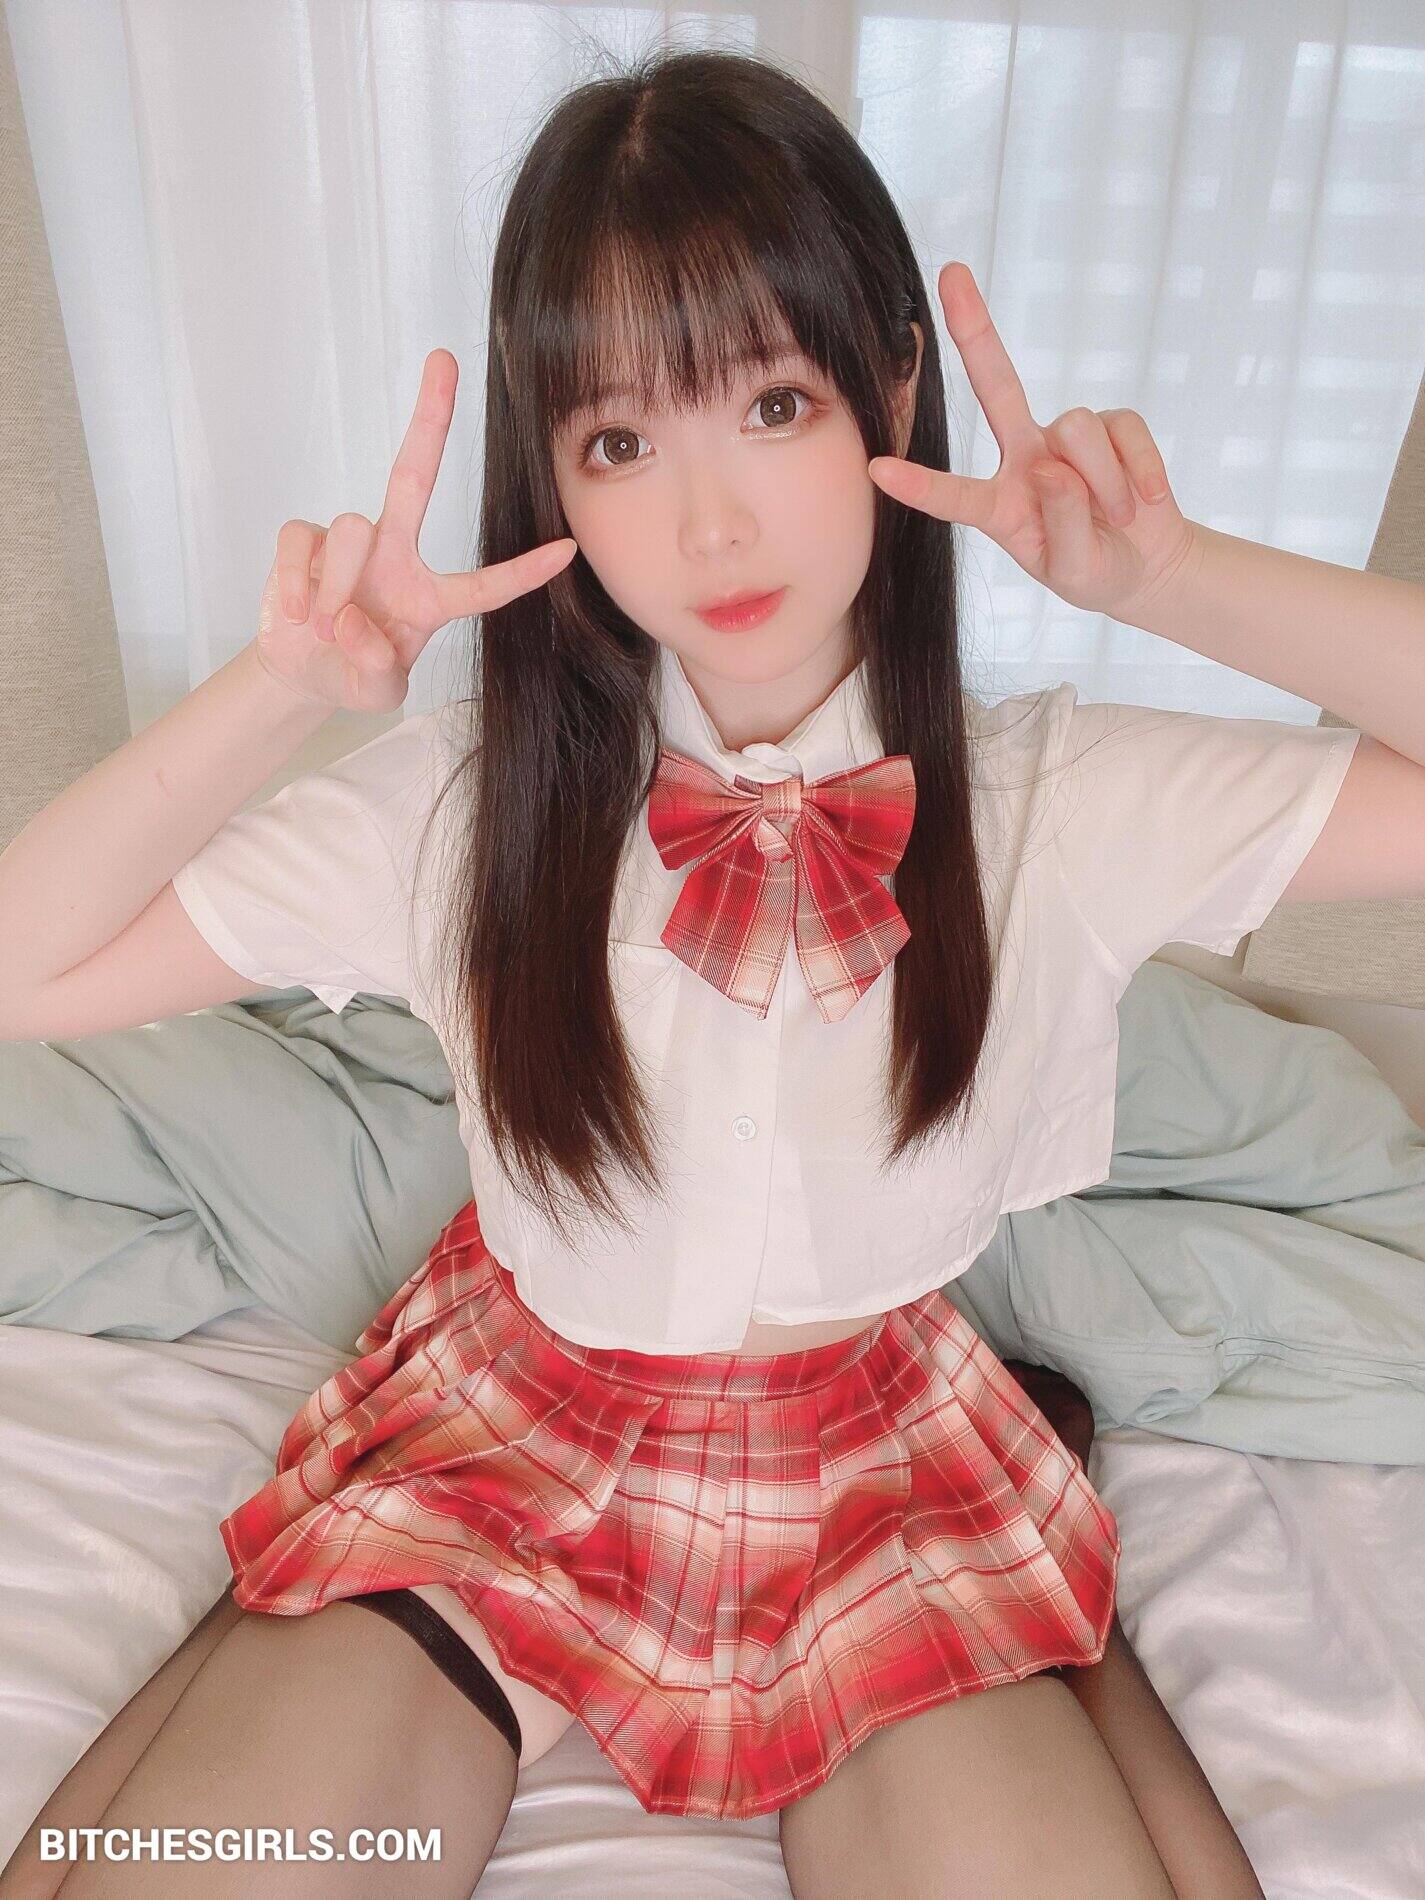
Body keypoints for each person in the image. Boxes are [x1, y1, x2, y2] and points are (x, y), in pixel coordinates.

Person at [5, 40, 1421, 1899]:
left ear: (888, 385)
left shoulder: (1058, 802)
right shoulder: (458, 804)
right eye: (618, 442)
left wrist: (1168, 581)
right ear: (552, 480)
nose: (709, 524)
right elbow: (25, 974)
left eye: (769, 403)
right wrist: (277, 691)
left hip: (876, 1464)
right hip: (510, 1440)